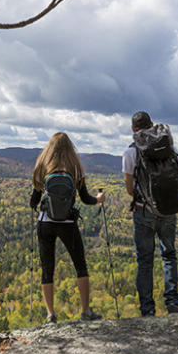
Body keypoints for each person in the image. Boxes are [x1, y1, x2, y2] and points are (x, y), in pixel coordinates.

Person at [30, 132, 105, 324]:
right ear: (70, 148)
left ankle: (50, 315)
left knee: (47, 268)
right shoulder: (75, 168)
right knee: (80, 265)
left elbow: (33, 202)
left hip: (45, 223)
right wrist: (98, 200)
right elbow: (86, 199)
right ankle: (86, 312)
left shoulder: (42, 168)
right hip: (68, 224)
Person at [122, 111, 178, 316]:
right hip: (168, 209)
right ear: (152, 125)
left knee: (145, 261)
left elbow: (130, 189)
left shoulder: (130, 153)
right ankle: (173, 303)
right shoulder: (169, 147)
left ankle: (148, 309)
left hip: (143, 212)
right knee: (169, 255)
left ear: (133, 130)